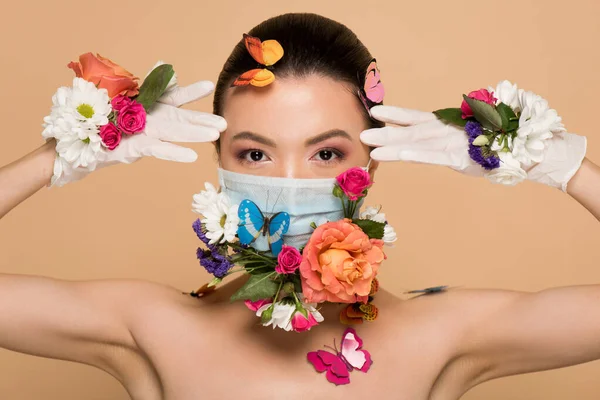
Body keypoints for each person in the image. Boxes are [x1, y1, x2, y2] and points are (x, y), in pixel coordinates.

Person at [1, 12, 600, 400]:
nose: (288, 185)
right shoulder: (150, 329)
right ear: (220, 161)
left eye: (326, 154)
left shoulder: (444, 334)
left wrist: (563, 167)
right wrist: (56, 159)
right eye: (256, 155)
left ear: (372, 163)